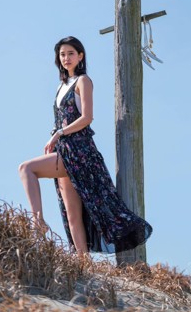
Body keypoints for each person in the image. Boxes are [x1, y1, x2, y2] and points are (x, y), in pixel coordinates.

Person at [19, 36, 152, 256]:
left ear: (80, 56)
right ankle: (83, 265)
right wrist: (56, 136)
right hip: (65, 150)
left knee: (26, 168)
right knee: (72, 216)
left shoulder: (83, 81)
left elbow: (87, 117)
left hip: (79, 153)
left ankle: (37, 222)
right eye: (62, 54)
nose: (66, 58)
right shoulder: (61, 86)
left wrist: (59, 133)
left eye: (71, 53)